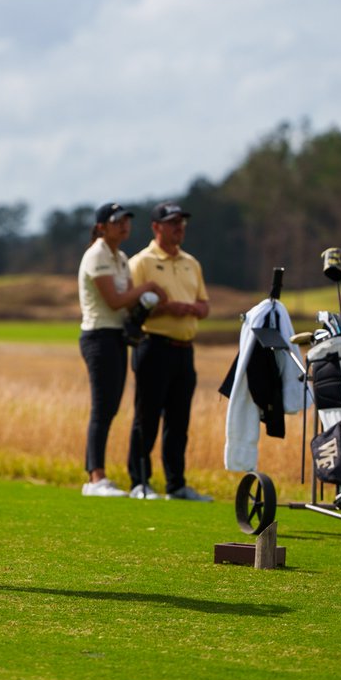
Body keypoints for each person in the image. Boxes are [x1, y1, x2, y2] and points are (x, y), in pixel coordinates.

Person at [77, 202, 166, 497]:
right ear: (102, 226)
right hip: (98, 336)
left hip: (116, 336)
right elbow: (115, 300)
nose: (124, 225)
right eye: (118, 221)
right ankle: (95, 478)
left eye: (126, 220)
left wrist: (143, 305)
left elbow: (126, 302)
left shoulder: (121, 257)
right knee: (102, 407)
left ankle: (98, 475)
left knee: (111, 406)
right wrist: (147, 287)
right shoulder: (97, 255)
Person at [126, 201, 212, 501]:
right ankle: (140, 482)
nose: (179, 228)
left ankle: (176, 485)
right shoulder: (142, 262)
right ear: (156, 227)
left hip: (184, 350)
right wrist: (167, 307)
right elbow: (134, 309)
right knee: (146, 418)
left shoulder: (192, 262)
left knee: (179, 421)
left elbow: (204, 303)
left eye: (182, 223)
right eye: (173, 222)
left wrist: (193, 308)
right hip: (153, 346)